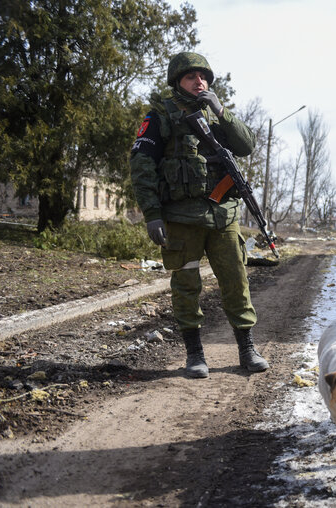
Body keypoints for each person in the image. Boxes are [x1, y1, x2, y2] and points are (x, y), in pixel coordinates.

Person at [130, 52, 269, 378]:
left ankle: (247, 349)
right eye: (191, 77)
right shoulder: (160, 116)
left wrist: (221, 110)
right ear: (177, 81)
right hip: (182, 218)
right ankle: (194, 353)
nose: (199, 82)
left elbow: (248, 145)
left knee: (237, 281)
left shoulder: (218, 117)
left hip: (223, 216)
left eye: (204, 77)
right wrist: (152, 214)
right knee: (186, 284)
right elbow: (141, 167)